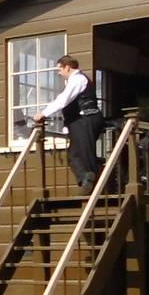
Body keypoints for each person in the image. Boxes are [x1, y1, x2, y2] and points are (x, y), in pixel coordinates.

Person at [33, 55, 103, 194]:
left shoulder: (78, 79)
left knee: (83, 151)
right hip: (79, 120)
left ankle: (90, 179)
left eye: (60, 69)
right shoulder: (73, 81)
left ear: (67, 67)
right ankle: (86, 180)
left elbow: (63, 99)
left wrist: (43, 113)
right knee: (74, 155)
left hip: (85, 118)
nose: (59, 73)